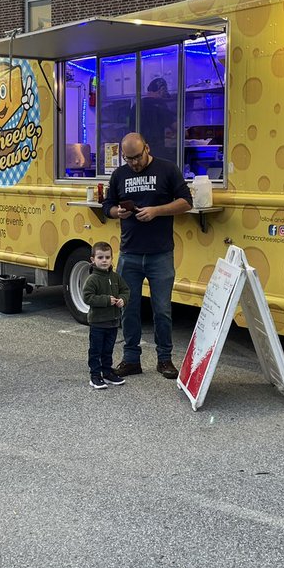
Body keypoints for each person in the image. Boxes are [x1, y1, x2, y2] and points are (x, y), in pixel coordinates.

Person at [101, 132, 192, 378]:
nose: (134, 163)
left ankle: (165, 359)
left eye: (137, 157)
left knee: (162, 309)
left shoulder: (167, 169)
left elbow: (186, 201)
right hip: (129, 253)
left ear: (147, 149)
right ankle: (131, 359)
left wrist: (156, 211)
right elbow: (107, 205)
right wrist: (116, 212)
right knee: (128, 309)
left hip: (160, 253)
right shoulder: (119, 175)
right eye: (128, 158)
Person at [82, 241, 130, 389]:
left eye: (107, 257)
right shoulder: (92, 279)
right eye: (100, 257)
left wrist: (123, 299)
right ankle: (95, 376)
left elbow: (125, 290)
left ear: (111, 259)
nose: (104, 261)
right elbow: (87, 297)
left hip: (113, 322)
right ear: (93, 260)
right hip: (98, 322)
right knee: (96, 350)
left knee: (108, 350)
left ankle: (107, 373)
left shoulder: (115, 277)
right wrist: (106, 300)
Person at [140, 76, 179, 163]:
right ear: (161, 90)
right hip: (156, 151)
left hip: (140, 151)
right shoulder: (160, 105)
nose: (163, 97)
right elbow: (176, 127)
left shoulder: (137, 105)